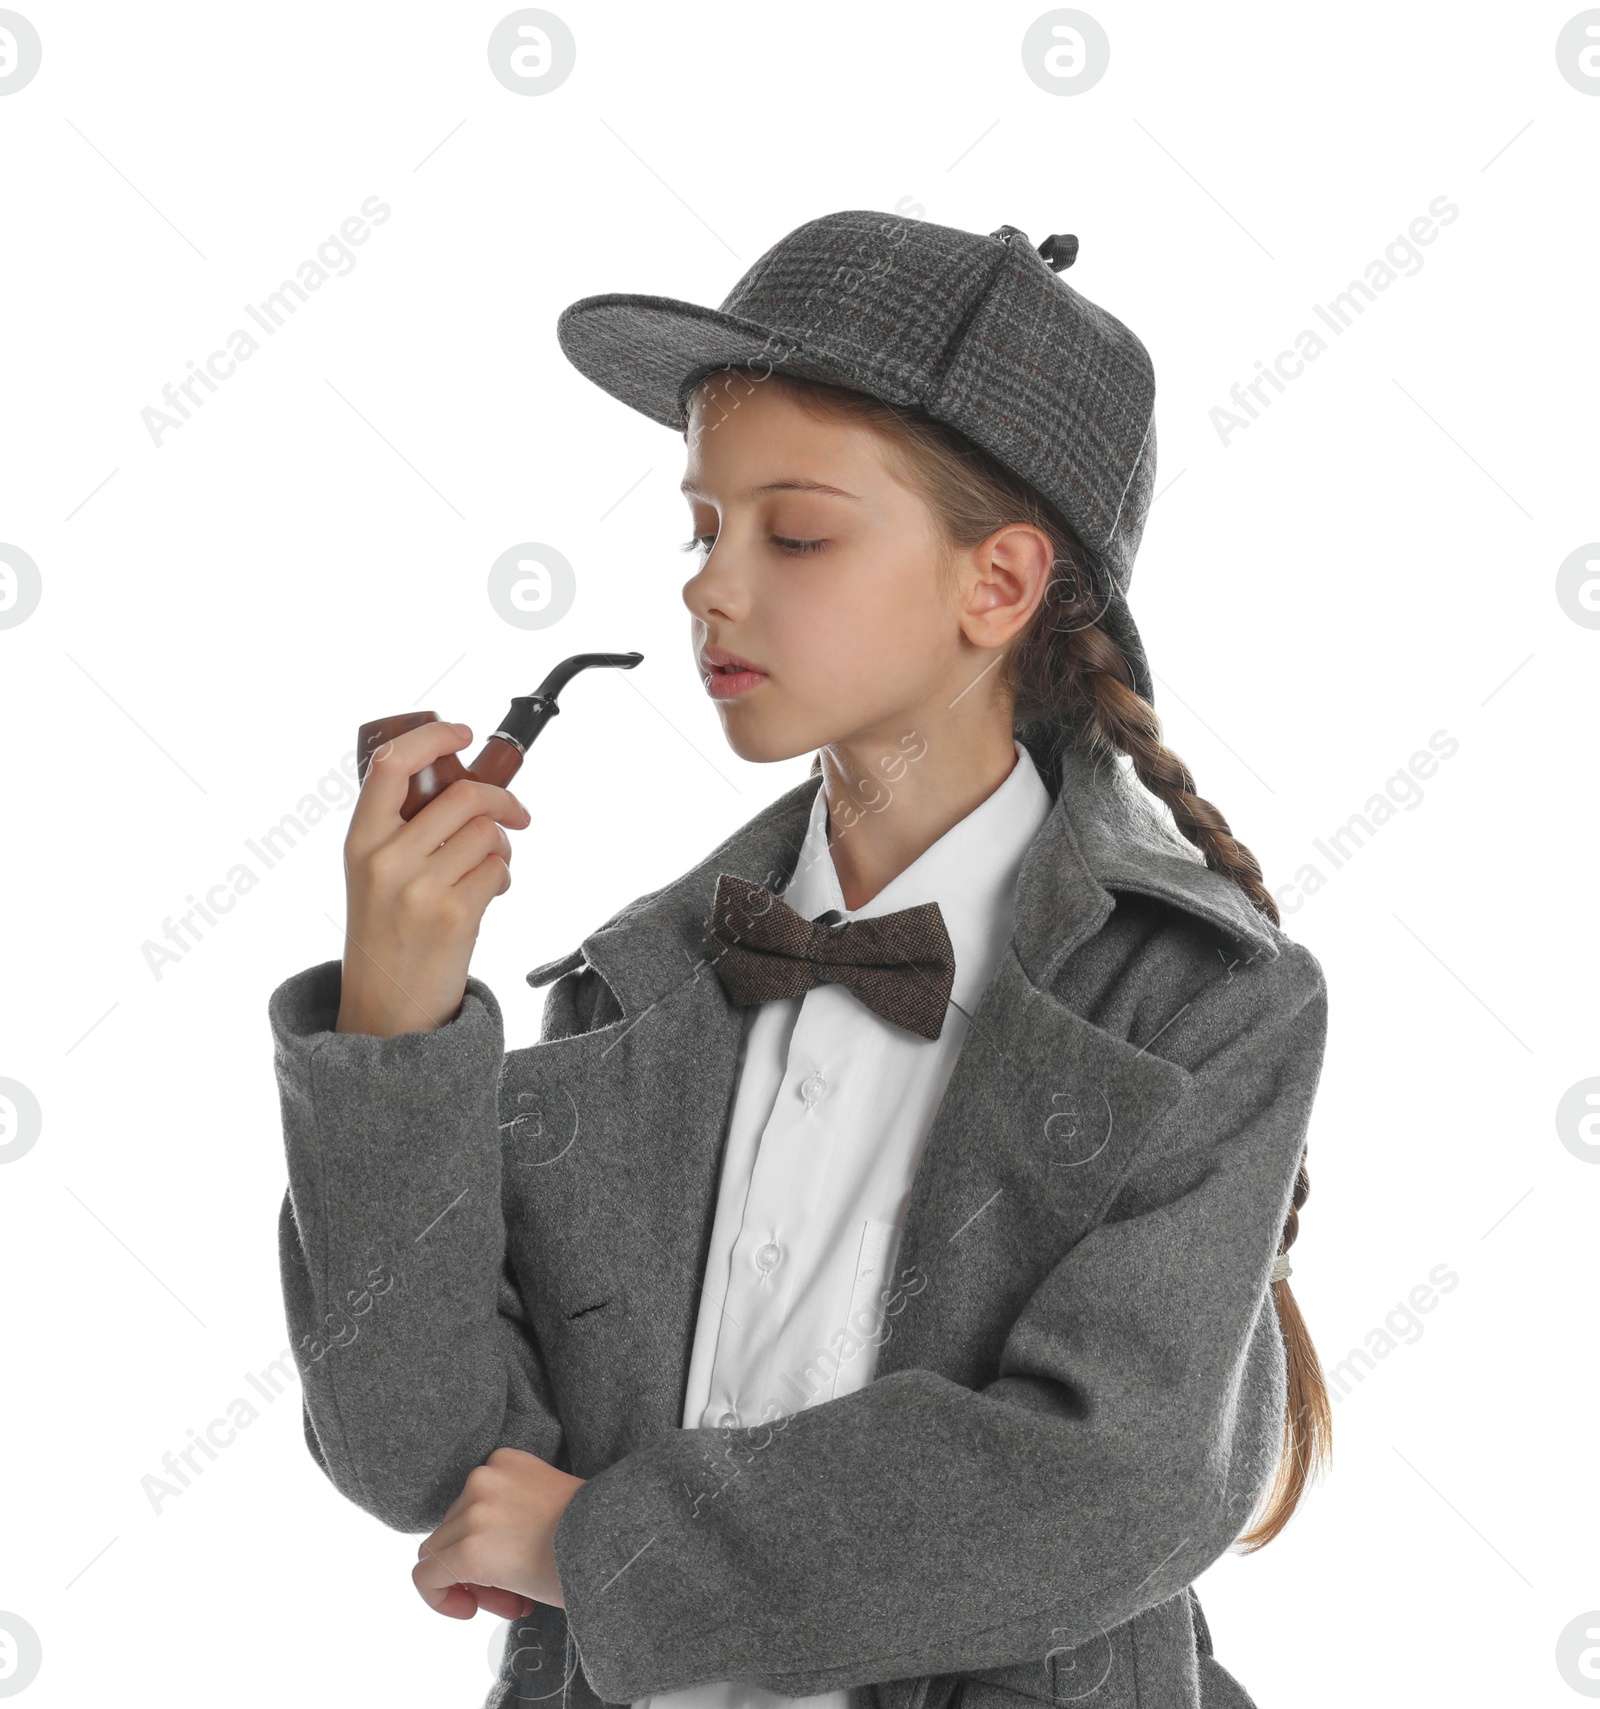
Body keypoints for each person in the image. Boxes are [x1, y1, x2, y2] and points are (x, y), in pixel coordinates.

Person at [268, 209, 1333, 1709]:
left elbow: (1104, 1482)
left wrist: (614, 1548)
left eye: (798, 530)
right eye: (704, 528)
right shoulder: (628, 985)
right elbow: (420, 1451)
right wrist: (397, 1011)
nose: (710, 585)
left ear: (1000, 584)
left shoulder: (1205, 1005)